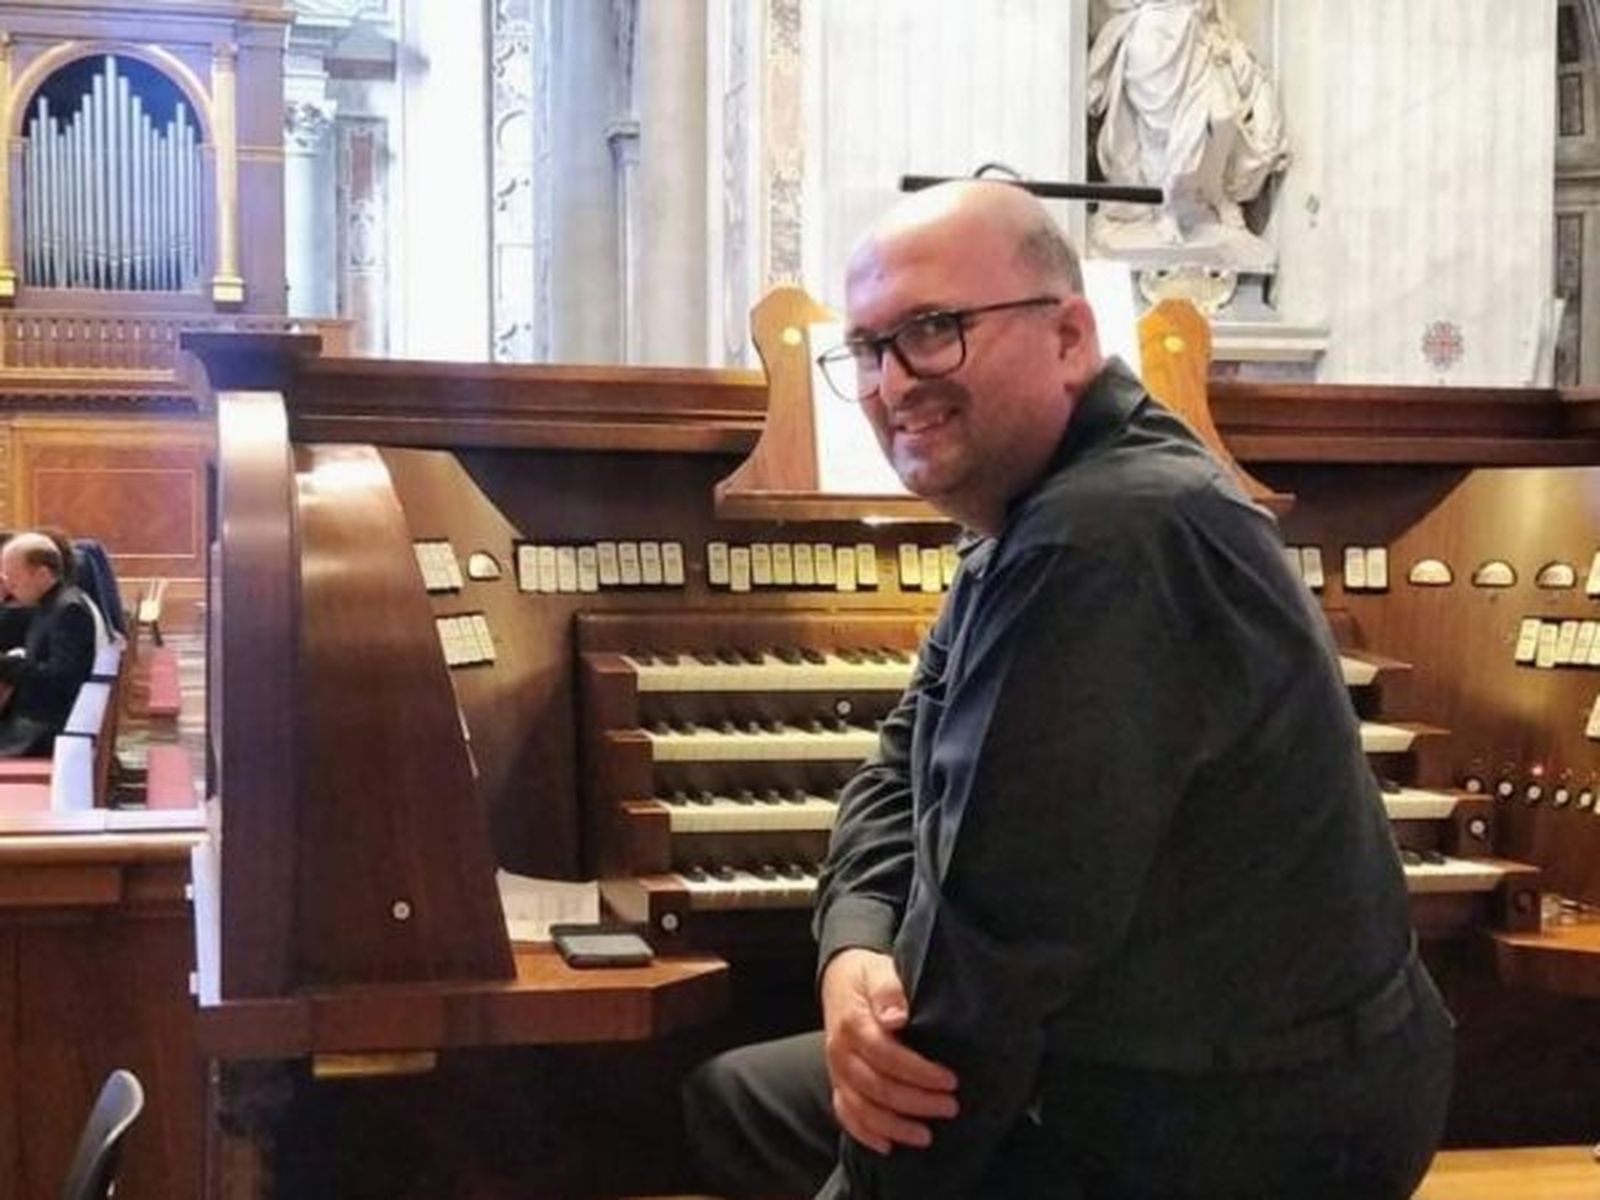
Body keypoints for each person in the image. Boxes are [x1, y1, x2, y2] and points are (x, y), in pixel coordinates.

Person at [682, 180, 1452, 1199]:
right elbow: (898, 767)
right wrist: (855, 948)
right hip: (1152, 1047)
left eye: (935, 330)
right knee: (740, 1101)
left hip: (1244, 1117)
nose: (894, 381)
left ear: (1070, 337)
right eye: (868, 349)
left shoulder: (1106, 539)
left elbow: (996, 951)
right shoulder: (1033, 509)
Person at [1087, 0, 1289, 254]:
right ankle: (1164, 208)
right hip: (1152, 41)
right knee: (1158, 134)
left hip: (1193, 38)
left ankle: (1215, 189)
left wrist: (1218, 32)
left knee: (1223, 116)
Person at [0, 531, 98, 757]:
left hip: (43, 731)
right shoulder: (52, 603)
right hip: (34, 723)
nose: (9, 586)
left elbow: (61, 679)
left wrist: (5, 665)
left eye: (13, 578)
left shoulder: (68, 610)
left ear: (42, 574)